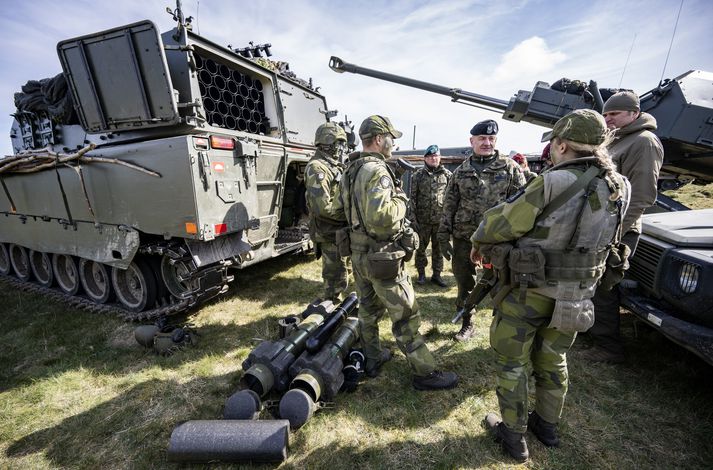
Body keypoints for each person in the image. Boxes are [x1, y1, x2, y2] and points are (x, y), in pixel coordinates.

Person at [472, 109, 631, 462]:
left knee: (512, 364)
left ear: (560, 144)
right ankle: (547, 426)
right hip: (577, 297)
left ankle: (513, 437)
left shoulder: (550, 182)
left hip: (529, 293)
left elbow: (499, 226)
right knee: (554, 359)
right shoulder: (621, 186)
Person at [335, 115, 458, 391]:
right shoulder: (377, 171)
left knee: (367, 309)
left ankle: (373, 358)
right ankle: (424, 372)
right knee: (405, 316)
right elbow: (382, 217)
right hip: (383, 257)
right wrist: (401, 199)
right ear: (379, 139)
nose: (393, 143)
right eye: (391, 138)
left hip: (359, 254)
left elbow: (338, 208)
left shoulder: (351, 169)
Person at [584, 91, 664, 363]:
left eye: (614, 114)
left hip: (619, 229)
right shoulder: (616, 140)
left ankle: (608, 347)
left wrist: (613, 233)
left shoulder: (644, 142)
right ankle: (590, 330)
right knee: (590, 281)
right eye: (605, 115)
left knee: (605, 283)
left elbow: (642, 196)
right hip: (600, 224)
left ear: (634, 113)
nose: (608, 120)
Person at [437, 120, 526, 341]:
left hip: (499, 239)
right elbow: (449, 204)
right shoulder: (461, 171)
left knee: (501, 281)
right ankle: (467, 323)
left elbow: (523, 205)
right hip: (464, 237)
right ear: (472, 141)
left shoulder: (510, 168)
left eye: (491, 139)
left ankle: (502, 326)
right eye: (482, 139)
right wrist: (442, 234)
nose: (487, 143)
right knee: (464, 281)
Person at [304, 122, 351, 302]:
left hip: (339, 231)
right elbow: (323, 207)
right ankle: (330, 312)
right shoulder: (318, 168)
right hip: (329, 232)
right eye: (339, 143)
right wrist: (349, 215)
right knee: (334, 279)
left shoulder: (334, 165)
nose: (341, 148)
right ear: (327, 142)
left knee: (343, 272)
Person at [409, 144, 451, 287]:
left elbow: (450, 199)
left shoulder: (447, 175)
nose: (434, 158)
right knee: (420, 249)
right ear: (425, 158)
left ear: (440, 158)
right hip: (423, 220)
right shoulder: (418, 175)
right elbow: (412, 198)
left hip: (440, 220)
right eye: (431, 156)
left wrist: (448, 219)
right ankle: (421, 274)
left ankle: (437, 275)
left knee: (438, 250)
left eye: (436, 156)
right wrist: (413, 218)